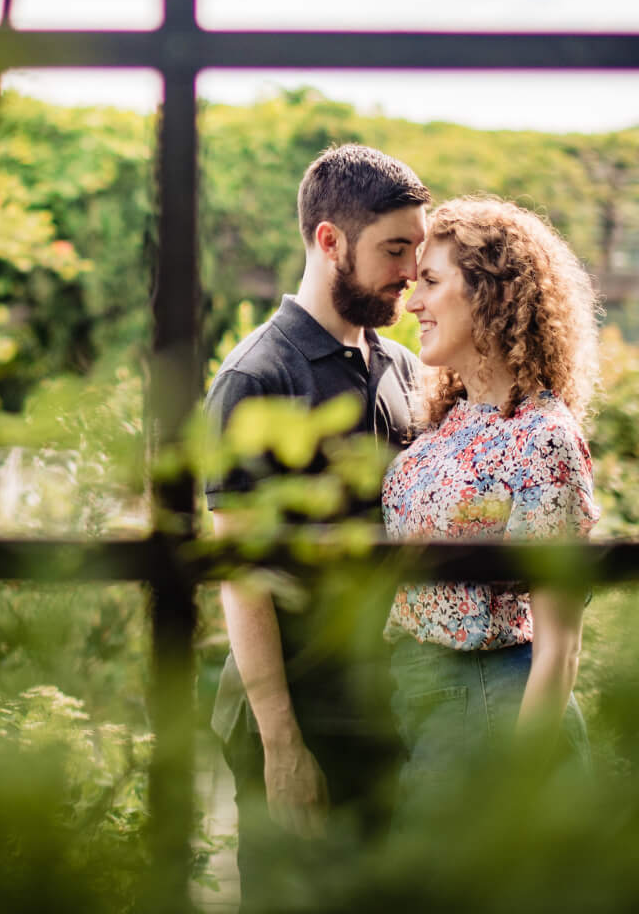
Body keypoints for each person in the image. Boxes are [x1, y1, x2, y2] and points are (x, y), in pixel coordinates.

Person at [205, 144, 431, 907]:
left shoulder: (401, 371)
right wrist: (281, 742)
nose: (409, 270)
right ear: (331, 241)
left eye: (416, 250)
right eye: (393, 250)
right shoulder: (255, 378)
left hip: (384, 704)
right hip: (294, 712)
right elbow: (241, 578)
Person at [380, 196, 601, 827]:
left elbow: (560, 646)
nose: (412, 302)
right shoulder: (449, 423)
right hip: (427, 700)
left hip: (492, 706)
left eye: (430, 281)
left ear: (488, 294)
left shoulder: (542, 436)